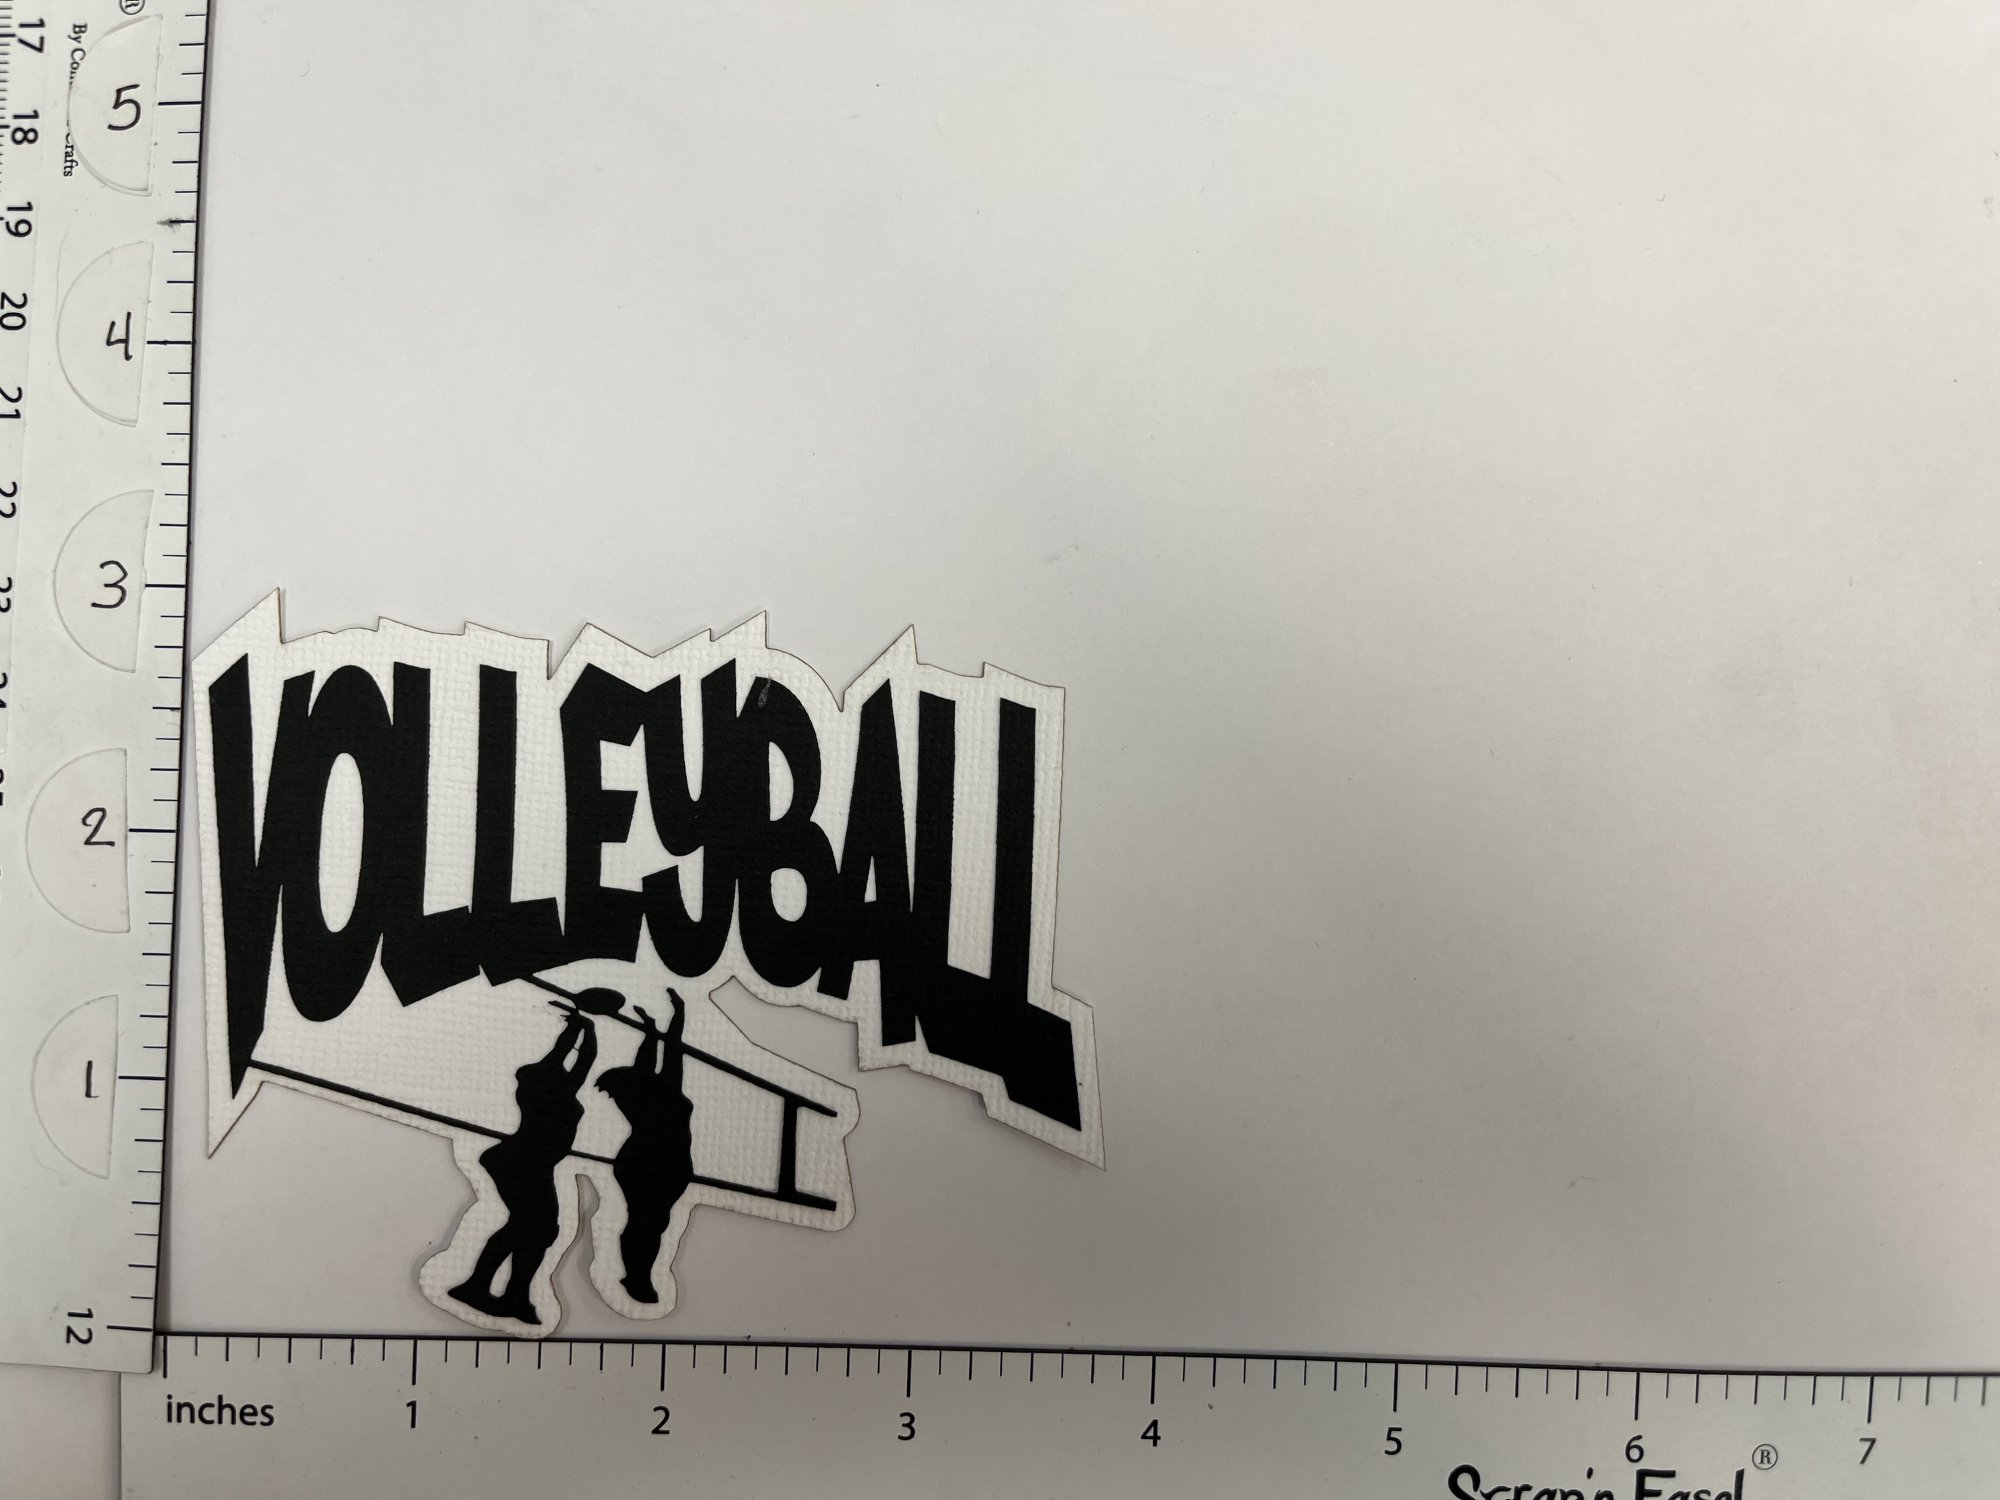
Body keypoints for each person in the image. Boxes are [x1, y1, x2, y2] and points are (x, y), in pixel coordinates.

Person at [449, 1008, 596, 1325]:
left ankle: (512, 1294)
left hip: (531, 1163)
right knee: (533, 1226)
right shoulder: (552, 1089)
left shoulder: (547, 1084)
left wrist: (577, 1028)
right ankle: (483, 1288)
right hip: (522, 1161)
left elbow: (565, 1053)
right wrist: (589, 1030)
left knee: (536, 1228)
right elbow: (581, 1061)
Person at [595, 989, 695, 1304]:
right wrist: (678, 1014)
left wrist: (652, 1030)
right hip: (651, 1162)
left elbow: (650, 1061)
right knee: (647, 1221)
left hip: (665, 1163)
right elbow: (673, 1049)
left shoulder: (648, 1093)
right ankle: (637, 1277)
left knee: (650, 1221)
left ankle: (637, 1275)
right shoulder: (662, 1092)